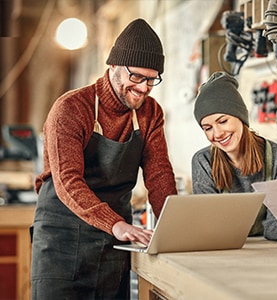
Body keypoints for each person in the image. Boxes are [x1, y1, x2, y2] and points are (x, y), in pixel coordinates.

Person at [30, 18, 177, 299]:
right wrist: (115, 223)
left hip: (113, 244)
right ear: (113, 67)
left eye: (151, 79)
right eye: (136, 77)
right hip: (62, 241)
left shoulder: (150, 113)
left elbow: (159, 173)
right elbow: (67, 182)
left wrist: (174, 228)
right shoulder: (71, 108)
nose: (144, 88)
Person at [191, 71, 277, 243]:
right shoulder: (203, 162)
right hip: (222, 249)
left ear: (240, 117)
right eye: (207, 128)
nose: (218, 133)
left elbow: (276, 224)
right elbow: (209, 225)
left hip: (268, 250)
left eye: (223, 121)